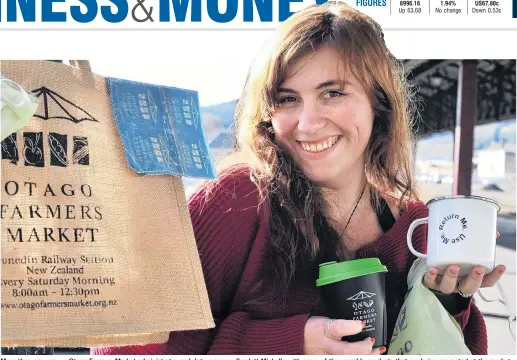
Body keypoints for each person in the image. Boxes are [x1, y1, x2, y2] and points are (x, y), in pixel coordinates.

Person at [92, 2, 505, 355]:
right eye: (288, 99)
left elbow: (454, 343)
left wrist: (448, 300)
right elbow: (122, 345)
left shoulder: (415, 227)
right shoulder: (233, 203)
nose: (307, 124)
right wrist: (293, 341)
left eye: (333, 93)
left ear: (378, 104)